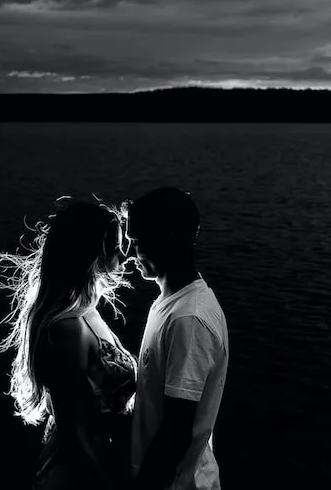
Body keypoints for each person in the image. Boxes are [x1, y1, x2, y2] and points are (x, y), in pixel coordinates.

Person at [0, 197, 138, 490]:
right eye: (116, 247)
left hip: (106, 458)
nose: (125, 255)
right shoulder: (66, 330)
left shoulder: (88, 313)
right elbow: (72, 434)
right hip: (80, 474)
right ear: (90, 254)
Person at [124, 187, 229, 490]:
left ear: (168, 237)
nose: (132, 255)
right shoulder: (171, 302)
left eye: (137, 242)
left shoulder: (189, 319)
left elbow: (176, 430)